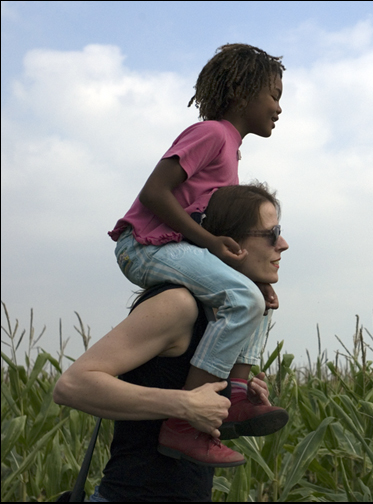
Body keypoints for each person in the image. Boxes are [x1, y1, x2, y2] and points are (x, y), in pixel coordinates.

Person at [106, 43, 285, 464]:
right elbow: (153, 194)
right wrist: (208, 244)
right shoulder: (211, 134)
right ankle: (185, 423)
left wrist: (254, 277)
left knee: (256, 298)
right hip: (143, 247)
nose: (279, 108)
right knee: (241, 297)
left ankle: (236, 395)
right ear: (243, 93)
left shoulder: (231, 152)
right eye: (274, 95)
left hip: (174, 247)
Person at [54, 183, 290, 501]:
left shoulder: (227, 317)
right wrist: (184, 405)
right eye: (272, 233)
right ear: (231, 239)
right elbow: (72, 386)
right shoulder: (178, 305)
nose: (284, 244)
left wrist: (232, 398)